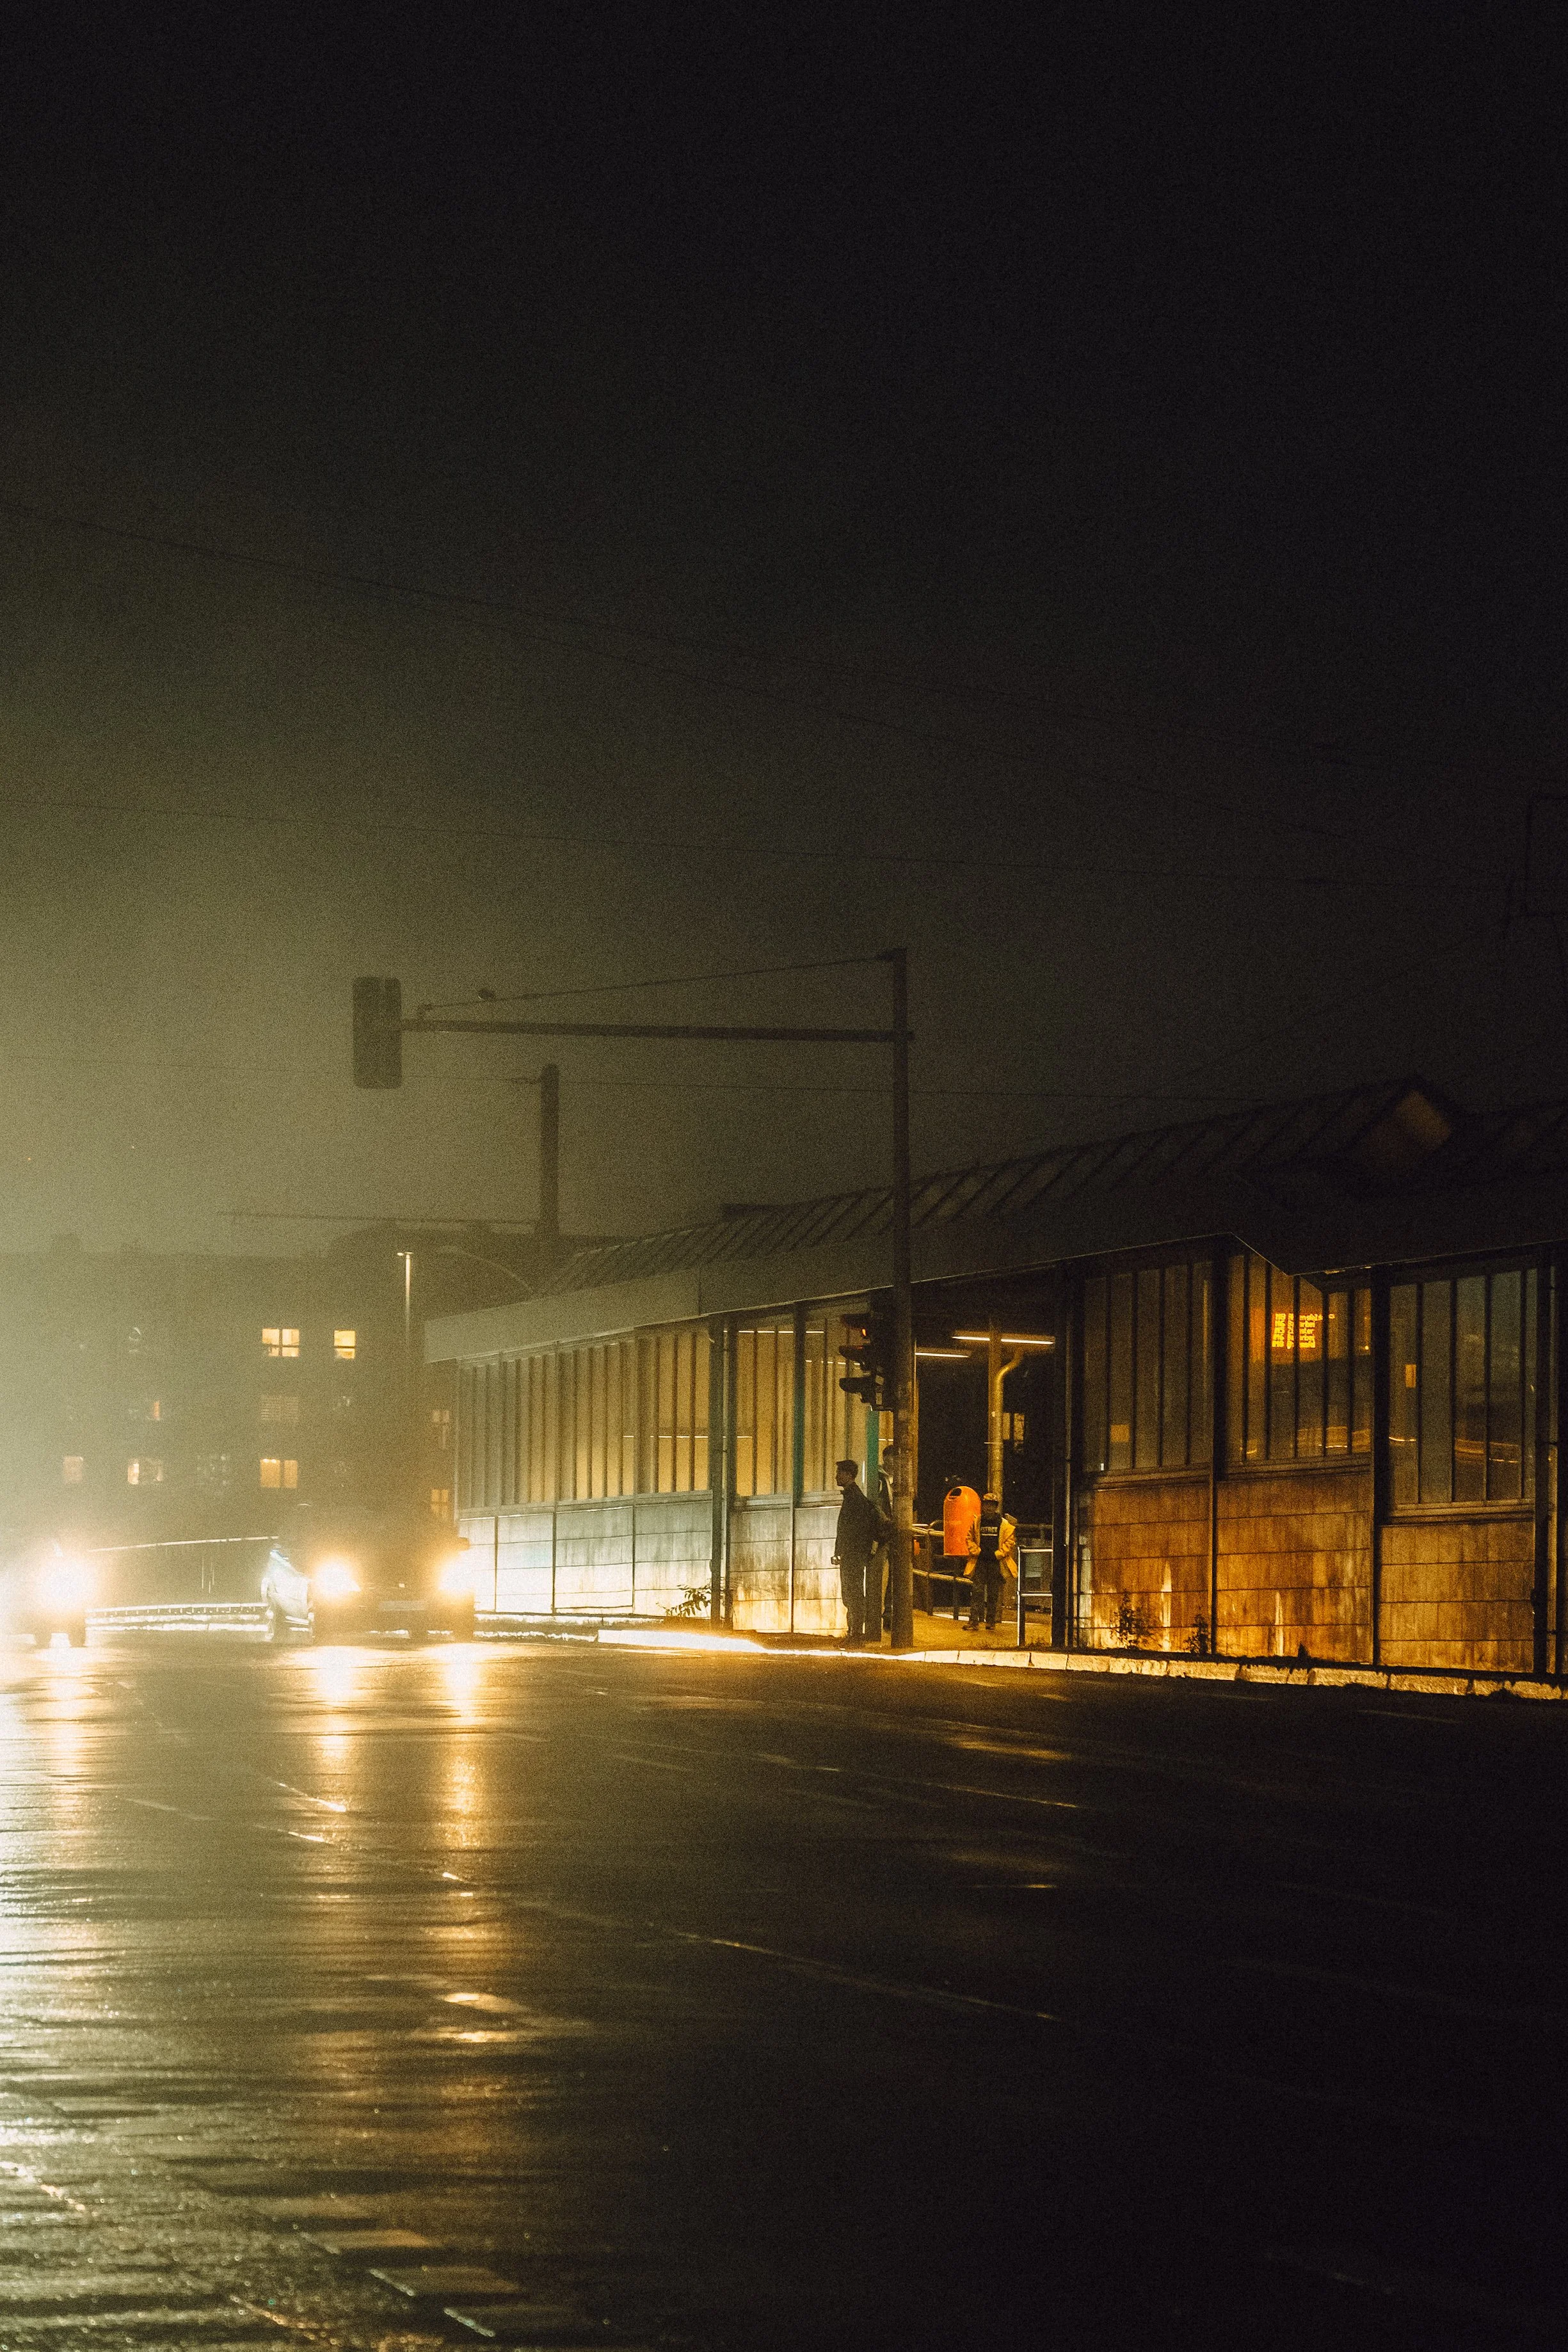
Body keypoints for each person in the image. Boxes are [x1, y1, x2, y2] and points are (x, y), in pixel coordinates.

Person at [832, 1459, 884, 1642]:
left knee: (852, 1593)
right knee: (851, 1593)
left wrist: (844, 1551)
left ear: (848, 1475)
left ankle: (855, 1634)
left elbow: (851, 1529)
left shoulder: (854, 1499)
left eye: (840, 1472)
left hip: (853, 1555)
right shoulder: (854, 1496)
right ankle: (853, 1633)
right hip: (853, 1554)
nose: (837, 1476)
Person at [966, 1492, 1018, 1631]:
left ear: (996, 1507)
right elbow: (969, 1538)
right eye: (987, 1505)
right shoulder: (977, 1522)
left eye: (992, 1505)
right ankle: (974, 1621)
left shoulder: (1004, 1524)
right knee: (977, 1592)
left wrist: (998, 1554)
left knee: (993, 1593)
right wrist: (977, 1551)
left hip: (996, 1563)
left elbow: (1010, 1542)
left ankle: (991, 1621)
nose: (989, 1508)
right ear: (983, 1506)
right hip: (980, 1562)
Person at [942, 1475, 981, 1618]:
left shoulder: (964, 1497)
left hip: (965, 1548)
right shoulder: (970, 1496)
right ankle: (975, 1616)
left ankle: (975, 1616)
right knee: (974, 1583)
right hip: (968, 1549)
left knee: (974, 1583)